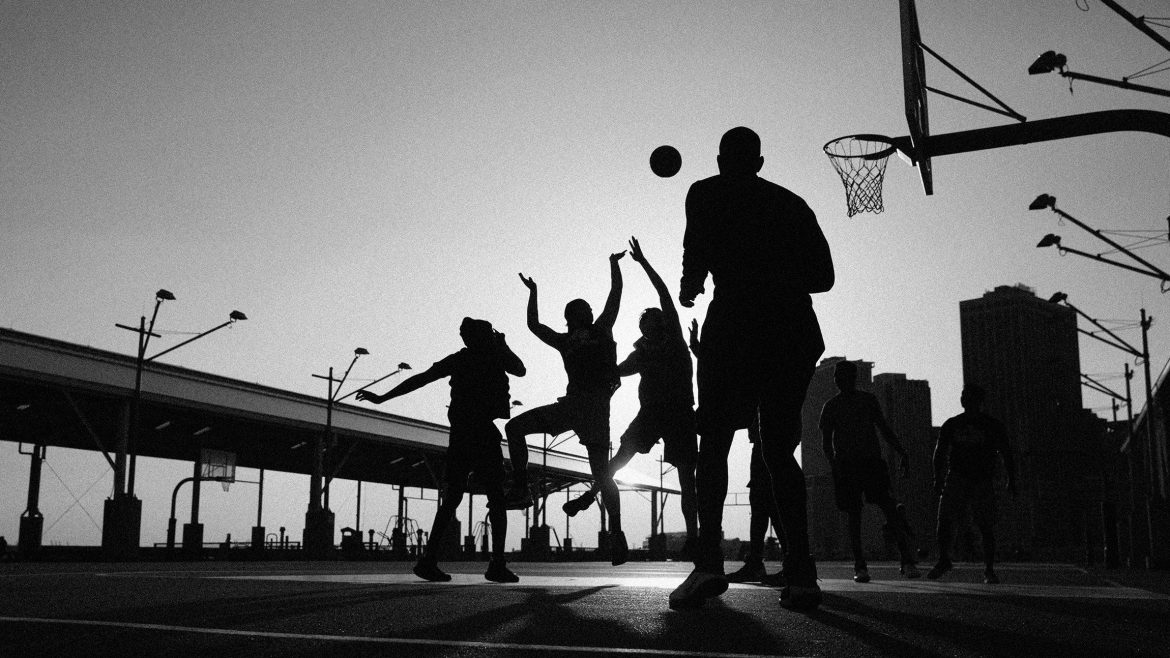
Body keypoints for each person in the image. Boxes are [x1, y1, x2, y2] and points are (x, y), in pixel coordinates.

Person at [670, 126, 834, 611]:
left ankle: (708, 565)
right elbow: (824, 278)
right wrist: (778, 271)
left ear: (721, 160)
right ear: (760, 163)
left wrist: (691, 286)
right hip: (792, 327)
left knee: (715, 443)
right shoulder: (792, 204)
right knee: (777, 449)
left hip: (736, 323)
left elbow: (695, 252)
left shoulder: (704, 193)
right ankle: (802, 575)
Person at [357, 317, 526, 583]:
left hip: (461, 433)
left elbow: (422, 379)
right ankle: (496, 564)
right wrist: (504, 346)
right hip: (481, 432)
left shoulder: (460, 359)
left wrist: (383, 398)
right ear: (485, 337)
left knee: (454, 497)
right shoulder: (494, 356)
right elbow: (520, 369)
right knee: (495, 495)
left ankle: (429, 560)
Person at [561, 237, 699, 557]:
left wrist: (643, 263)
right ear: (643, 330)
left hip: (678, 411)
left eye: (654, 323)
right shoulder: (641, 353)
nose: (650, 328)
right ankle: (591, 495)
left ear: (661, 324)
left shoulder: (674, 340)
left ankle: (693, 537)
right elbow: (615, 371)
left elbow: (664, 294)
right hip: (651, 412)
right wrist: (586, 381)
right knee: (620, 458)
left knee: (686, 479)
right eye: (646, 326)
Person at [504, 250, 630, 565]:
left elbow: (615, 294)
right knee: (514, 427)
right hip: (572, 406)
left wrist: (614, 266)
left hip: (595, 409)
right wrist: (533, 293)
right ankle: (521, 488)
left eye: (588, 309)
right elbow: (534, 325)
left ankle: (617, 534)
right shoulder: (565, 340)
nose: (588, 312)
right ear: (572, 317)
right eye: (582, 310)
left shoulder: (601, 330)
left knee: (602, 474)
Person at [819, 359, 920, 583]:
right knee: (861, 514)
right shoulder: (834, 406)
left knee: (884, 510)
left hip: (868, 463)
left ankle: (902, 560)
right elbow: (826, 443)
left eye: (842, 376)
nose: (840, 380)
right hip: (850, 466)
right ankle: (864, 565)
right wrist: (836, 466)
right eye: (838, 377)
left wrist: (901, 452)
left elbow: (883, 429)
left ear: (851, 378)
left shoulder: (862, 401)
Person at [928, 383, 1017, 584]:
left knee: (981, 525)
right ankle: (966, 564)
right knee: (952, 521)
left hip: (978, 479)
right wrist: (938, 477)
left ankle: (984, 568)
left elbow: (1006, 452)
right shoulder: (959, 424)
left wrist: (1011, 478)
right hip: (961, 477)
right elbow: (939, 452)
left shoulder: (986, 425)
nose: (965, 400)